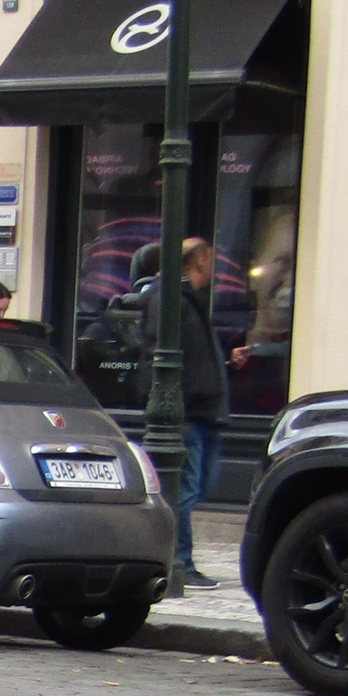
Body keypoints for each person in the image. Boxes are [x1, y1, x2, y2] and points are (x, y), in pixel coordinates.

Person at [144, 237, 228, 594]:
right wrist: (172, 410)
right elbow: (154, 355)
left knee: (198, 487)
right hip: (186, 415)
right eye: (210, 260)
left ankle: (172, 554)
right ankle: (178, 561)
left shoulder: (188, 300)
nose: (213, 268)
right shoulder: (169, 299)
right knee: (184, 490)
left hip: (203, 411)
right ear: (199, 262)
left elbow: (190, 355)